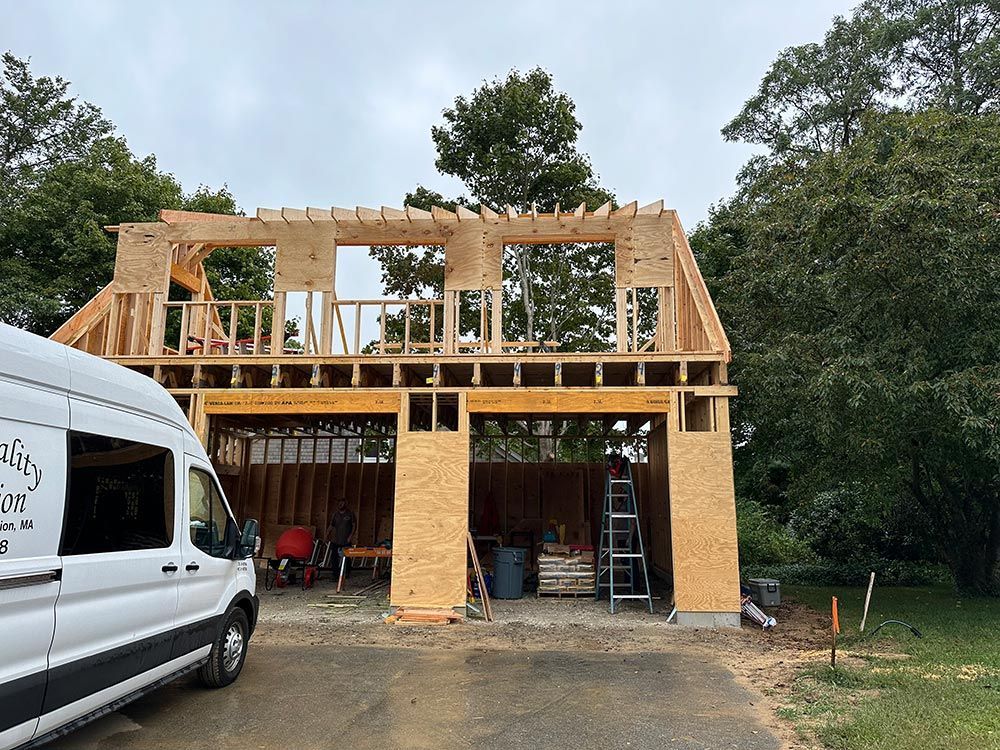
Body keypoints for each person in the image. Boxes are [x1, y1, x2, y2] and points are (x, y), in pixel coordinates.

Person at [327, 499, 356, 578]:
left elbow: (354, 525)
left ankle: (347, 572)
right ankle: (335, 574)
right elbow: (331, 525)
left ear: (345, 504)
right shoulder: (335, 514)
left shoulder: (350, 514)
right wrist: (327, 534)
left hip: (346, 539)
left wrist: (351, 536)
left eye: (342, 503)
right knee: (334, 557)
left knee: (347, 556)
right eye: (339, 503)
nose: (340, 505)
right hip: (336, 539)